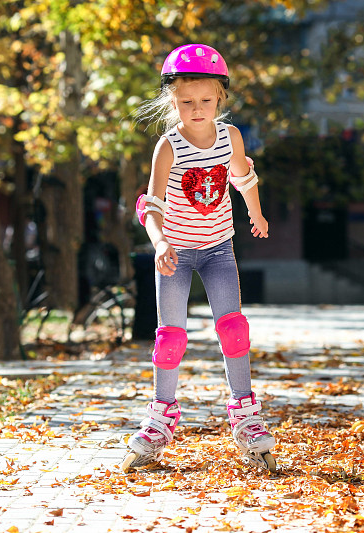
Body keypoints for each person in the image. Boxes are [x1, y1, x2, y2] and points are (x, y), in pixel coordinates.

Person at [121, 43, 276, 473]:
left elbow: (244, 177)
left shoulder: (230, 137)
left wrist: (257, 212)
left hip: (219, 250)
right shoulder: (168, 146)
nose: (197, 109)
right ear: (173, 101)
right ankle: (161, 415)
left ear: (220, 98)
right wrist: (159, 243)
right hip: (176, 253)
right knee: (170, 337)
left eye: (206, 100)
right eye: (187, 102)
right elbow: (150, 203)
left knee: (233, 330)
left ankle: (246, 415)